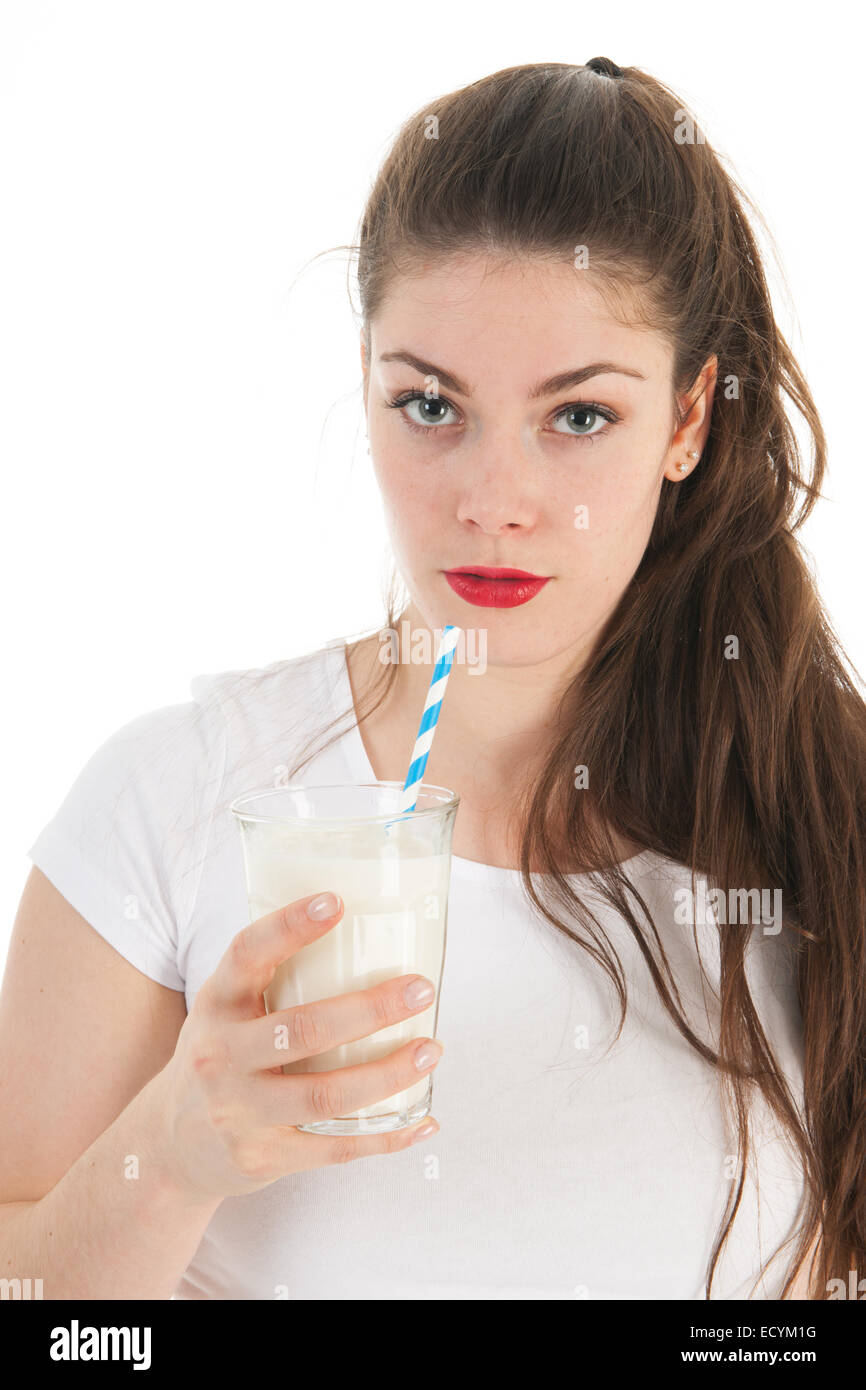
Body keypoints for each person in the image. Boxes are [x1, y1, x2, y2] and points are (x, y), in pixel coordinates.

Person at [1, 56, 862, 1300]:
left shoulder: (818, 812)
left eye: (576, 417)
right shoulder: (175, 799)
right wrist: (171, 1153)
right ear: (366, 388)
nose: (489, 503)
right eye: (430, 405)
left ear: (687, 423)